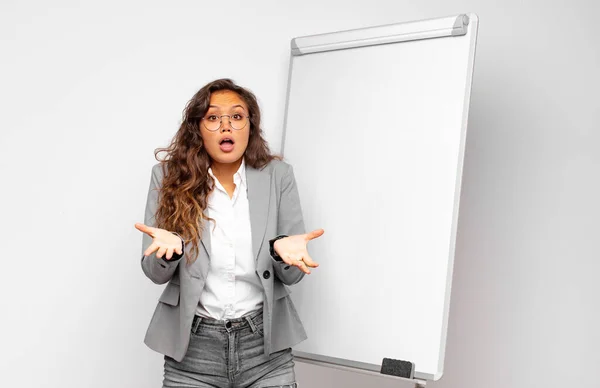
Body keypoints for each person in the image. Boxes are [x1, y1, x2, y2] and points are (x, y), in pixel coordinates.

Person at [134, 78, 324, 388]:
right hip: (192, 353)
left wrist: (282, 255)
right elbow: (155, 273)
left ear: (250, 126)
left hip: (265, 349)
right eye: (213, 117)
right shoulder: (167, 177)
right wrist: (172, 251)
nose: (226, 126)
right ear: (198, 128)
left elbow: (291, 276)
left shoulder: (278, 176)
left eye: (236, 116)